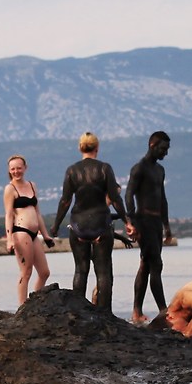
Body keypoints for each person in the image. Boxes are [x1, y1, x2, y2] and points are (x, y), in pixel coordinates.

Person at [49, 131, 130, 311]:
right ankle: (105, 314)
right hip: (101, 224)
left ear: (80, 148)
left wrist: (55, 226)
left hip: (78, 225)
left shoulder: (72, 170)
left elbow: (65, 201)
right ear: (97, 148)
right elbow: (116, 199)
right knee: (103, 272)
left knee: (80, 270)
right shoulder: (104, 168)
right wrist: (127, 221)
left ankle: (79, 313)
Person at [127, 131, 173, 323]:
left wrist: (166, 225)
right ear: (152, 145)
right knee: (156, 263)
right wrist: (131, 222)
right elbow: (128, 195)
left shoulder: (160, 170)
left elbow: (162, 199)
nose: (165, 153)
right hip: (143, 220)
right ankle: (164, 311)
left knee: (146, 265)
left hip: (155, 223)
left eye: (167, 150)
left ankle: (136, 311)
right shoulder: (140, 168)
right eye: (163, 149)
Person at [1, 153, 53, 304]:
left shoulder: (32, 185)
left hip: (34, 233)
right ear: (9, 170)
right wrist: (9, 239)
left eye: (19, 168)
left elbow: (37, 212)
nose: (16, 171)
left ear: (25, 168)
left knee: (44, 272)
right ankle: (22, 306)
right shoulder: (10, 189)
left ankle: (34, 303)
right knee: (26, 272)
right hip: (20, 232)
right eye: (13, 169)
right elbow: (9, 214)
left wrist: (46, 235)